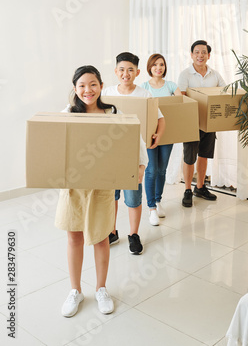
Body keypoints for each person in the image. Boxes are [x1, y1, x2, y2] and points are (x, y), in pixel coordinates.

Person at [55, 65, 148, 317]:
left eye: (93, 84)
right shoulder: (67, 114)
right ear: (75, 89)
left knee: (100, 237)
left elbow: (134, 139)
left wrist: (140, 165)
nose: (88, 90)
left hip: (103, 185)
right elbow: (55, 146)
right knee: (74, 236)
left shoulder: (112, 112)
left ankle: (101, 289)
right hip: (74, 187)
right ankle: (75, 291)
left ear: (100, 85)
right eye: (82, 85)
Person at [102, 52, 165, 253]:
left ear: (137, 72)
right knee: (112, 196)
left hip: (134, 154)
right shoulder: (107, 94)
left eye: (130, 70)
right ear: (115, 71)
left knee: (133, 197)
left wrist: (158, 135)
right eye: (121, 69)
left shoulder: (144, 94)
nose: (125, 74)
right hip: (110, 155)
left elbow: (160, 118)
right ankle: (111, 231)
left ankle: (134, 234)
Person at [178, 40, 226, 207]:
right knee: (189, 157)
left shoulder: (215, 74)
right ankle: (187, 190)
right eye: (197, 52)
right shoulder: (185, 74)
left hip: (209, 122)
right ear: (191, 55)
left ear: (208, 55)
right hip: (192, 122)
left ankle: (200, 187)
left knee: (204, 155)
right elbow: (182, 97)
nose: (200, 55)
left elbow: (224, 93)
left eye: (203, 52)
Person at [141, 53, 182, 226]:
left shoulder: (171, 86)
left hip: (167, 133)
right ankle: (151, 208)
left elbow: (180, 103)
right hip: (150, 134)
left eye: (162, 65)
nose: (159, 68)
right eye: (155, 65)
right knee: (151, 170)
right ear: (149, 67)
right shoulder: (143, 87)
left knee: (162, 170)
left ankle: (158, 201)